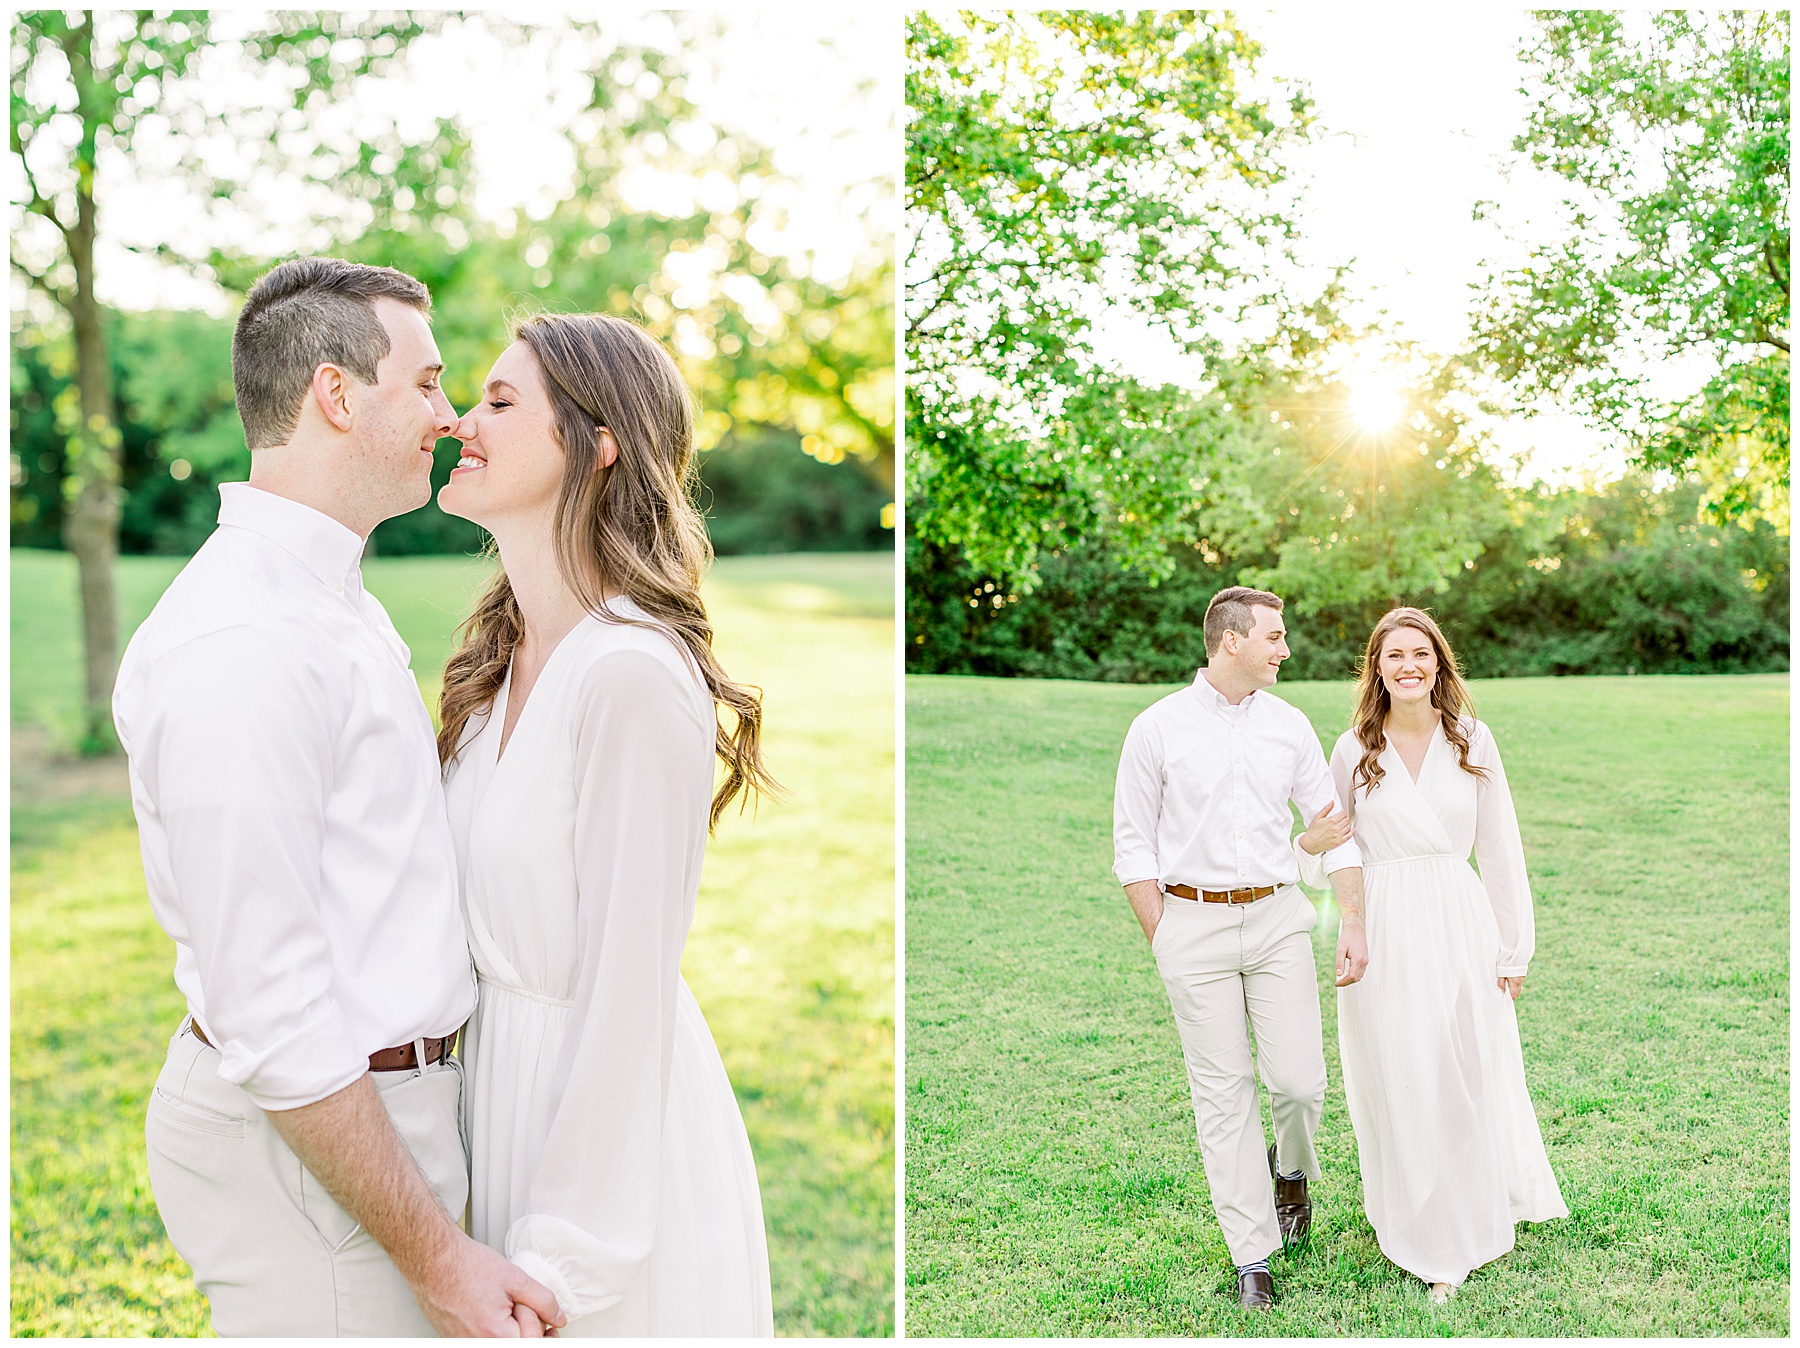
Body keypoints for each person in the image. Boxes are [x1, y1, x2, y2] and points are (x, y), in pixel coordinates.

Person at [113, 257, 565, 1336]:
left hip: (377, 1123)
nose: (450, 417)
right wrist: (436, 1255)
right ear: (335, 393)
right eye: (426, 383)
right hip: (318, 1150)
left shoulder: (325, 597)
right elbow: (271, 1011)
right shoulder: (246, 640)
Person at [434, 311, 776, 1335]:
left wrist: (562, 1262)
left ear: (596, 443)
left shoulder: (628, 674)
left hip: (601, 1150)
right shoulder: (498, 668)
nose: (461, 421)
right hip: (493, 1099)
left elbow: (628, 984)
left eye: (499, 402)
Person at [1298, 607, 1568, 1302]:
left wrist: (1515, 948)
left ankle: (1467, 1212)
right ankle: (1423, 1230)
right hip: (1384, 925)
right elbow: (1338, 847)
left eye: (1421, 653)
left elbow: (1501, 847)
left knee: (1462, 1069)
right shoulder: (1353, 748)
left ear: (1439, 664)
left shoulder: (1472, 739)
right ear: (1378, 669)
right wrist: (1344, 912)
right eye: (1395, 656)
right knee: (1402, 1071)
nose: (1409, 665)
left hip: (1458, 917)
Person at [1112, 585, 1365, 1312]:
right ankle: (1252, 1256)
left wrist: (1352, 917)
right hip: (1191, 926)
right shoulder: (1155, 729)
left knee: (1298, 1084)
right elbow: (1132, 848)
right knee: (1223, 1095)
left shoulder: (1287, 727)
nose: (1285, 649)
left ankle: (1291, 1172)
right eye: (1275, 636)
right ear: (1232, 640)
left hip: (1280, 921)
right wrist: (1166, 937)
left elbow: (1332, 824)